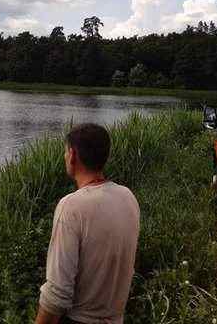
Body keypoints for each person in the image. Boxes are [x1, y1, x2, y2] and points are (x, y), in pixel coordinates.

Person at [35, 123, 140, 324]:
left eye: (65, 152)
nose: (65, 157)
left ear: (73, 156)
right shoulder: (128, 197)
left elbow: (56, 294)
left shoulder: (72, 206)